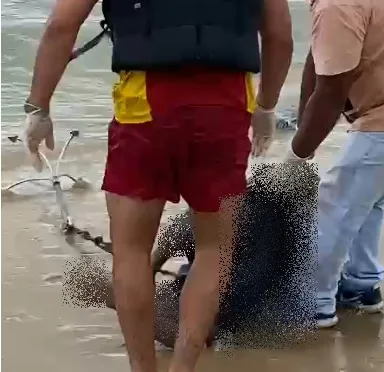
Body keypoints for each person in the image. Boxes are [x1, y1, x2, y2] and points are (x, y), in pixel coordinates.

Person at [23, 0, 293, 370]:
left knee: (131, 252)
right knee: (214, 250)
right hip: (226, 105)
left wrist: (39, 108)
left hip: (146, 103)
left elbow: (61, 25)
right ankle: (183, 367)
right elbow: (279, 35)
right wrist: (265, 106)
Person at [289, 0, 384, 328]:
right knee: (368, 198)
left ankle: (313, 303)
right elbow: (318, 61)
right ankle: (360, 286)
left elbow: (331, 90)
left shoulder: (335, 5)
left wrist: (298, 153)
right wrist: (304, 125)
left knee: (334, 203)